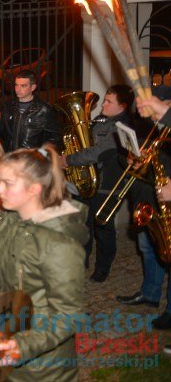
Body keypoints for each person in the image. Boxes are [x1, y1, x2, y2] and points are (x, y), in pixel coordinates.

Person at [0, 146, 87, 381]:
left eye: (8, 183)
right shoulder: (3, 220)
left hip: (42, 368)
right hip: (3, 340)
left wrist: (22, 346)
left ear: (34, 189)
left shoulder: (59, 246)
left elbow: (67, 317)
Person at [60, 85, 134, 283]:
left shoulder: (122, 127)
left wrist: (69, 160)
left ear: (122, 106)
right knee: (83, 223)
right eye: (104, 100)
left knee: (103, 227)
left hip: (107, 186)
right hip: (87, 182)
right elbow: (83, 144)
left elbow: (98, 152)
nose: (103, 105)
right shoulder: (100, 121)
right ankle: (81, 260)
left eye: (109, 102)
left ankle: (103, 268)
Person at [116, 94, 171, 331]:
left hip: (163, 200)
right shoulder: (147, 128)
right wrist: (133, 162)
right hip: (146, 199)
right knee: (148, 248)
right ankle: (150, 293)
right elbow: (125, 156)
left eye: (161, 109)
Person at [0, 69, 61, 152]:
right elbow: (2, 134)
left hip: (31, 158)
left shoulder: (44, 110)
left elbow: (55, 138)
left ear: (33, 87)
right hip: (11, 156)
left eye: (23, 86)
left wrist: (41, 154)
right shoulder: (8, 106)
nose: (18, 89)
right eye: (16, 85)